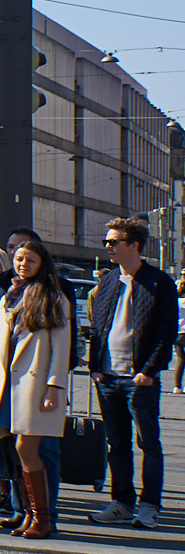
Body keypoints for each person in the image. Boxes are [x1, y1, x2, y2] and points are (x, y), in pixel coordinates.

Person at [87, 215, 179, 529]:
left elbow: (166, 332)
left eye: (113, 242)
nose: (108, 247)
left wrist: (149, 371)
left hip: (140, 380)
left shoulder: (159, 282)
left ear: (134, 245)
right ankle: (121, 502)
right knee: (117, 443)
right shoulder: (109, 280)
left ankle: (150, 504)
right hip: (108, 377)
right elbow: (97, 328)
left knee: (148, 443)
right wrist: (95, 367)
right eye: (107, 242)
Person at [0, 238, 72, 539]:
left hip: (37, 383)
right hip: (9, 382)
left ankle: (42, 517)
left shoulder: (53, 297)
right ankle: (31, 515)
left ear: (42, 265)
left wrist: (55, 386)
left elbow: (61, 347)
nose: (23, 263)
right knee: (19, 448)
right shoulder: (8, 296)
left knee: (27, 448)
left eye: (30, 260)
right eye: (20, 258)